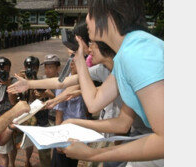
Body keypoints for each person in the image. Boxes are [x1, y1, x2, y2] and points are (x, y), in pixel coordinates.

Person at [61, 0, 163, 165]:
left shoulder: (139, 53)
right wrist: (79, 59)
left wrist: (93, 155)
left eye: (90, 12)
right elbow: (94, 103)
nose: (86, 19)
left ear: (108, 16)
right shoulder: (125, 54)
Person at [51, 59, 88, 167]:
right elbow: (59, 113)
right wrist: (58, 139)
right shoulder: (64, 84)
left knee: (73, 162)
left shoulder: (86, 82)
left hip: (79, 130)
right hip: (66, 132)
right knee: (61, 162)